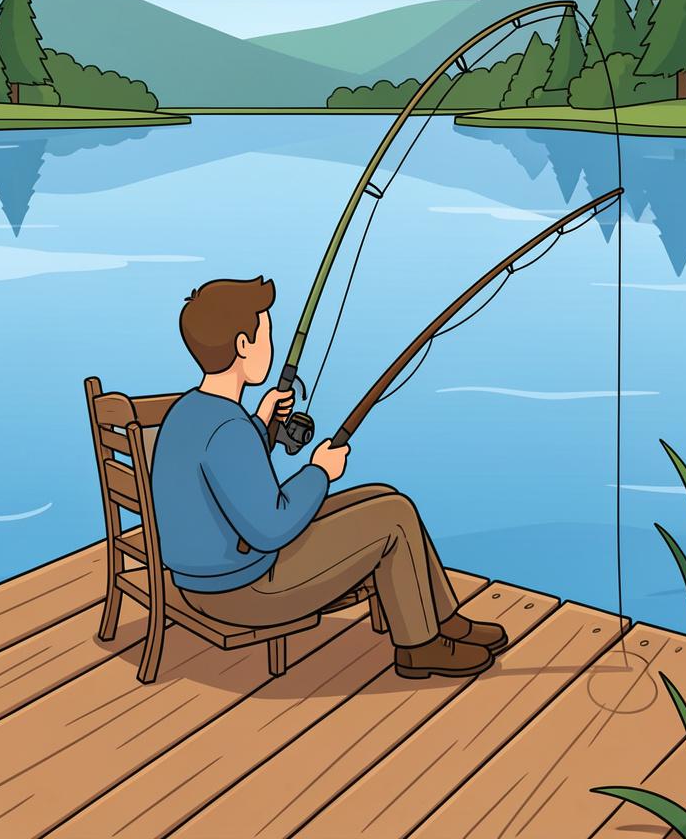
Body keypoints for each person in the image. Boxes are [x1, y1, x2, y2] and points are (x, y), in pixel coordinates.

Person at [150, 276, 508, 679]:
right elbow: (271, 528)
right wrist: (320, 471)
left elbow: (223, 478)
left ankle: (443, 619)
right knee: (392, 517)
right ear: (243, 345)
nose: (271, 344)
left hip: (207, 577)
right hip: (242, 591)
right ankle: (418, 647)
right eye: (266, 332)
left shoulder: (191, 411)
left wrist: (261, 421)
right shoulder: (228, 430)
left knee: (382, 496)